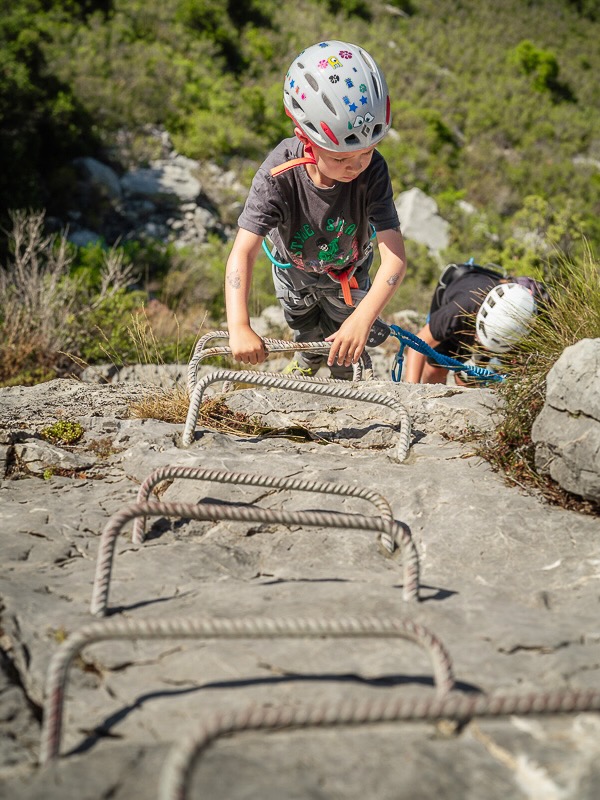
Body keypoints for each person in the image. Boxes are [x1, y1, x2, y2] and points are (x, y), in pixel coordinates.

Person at [225, 40, 407, 379]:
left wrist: (363, 319)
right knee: (305, 330)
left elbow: (394, 258)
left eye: (368, 152)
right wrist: (238, 325)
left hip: (348, 275)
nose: (357, 166)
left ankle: (344, 375)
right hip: (294, 277)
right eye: (340, 158)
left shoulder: (374, 170)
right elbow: (243, 252)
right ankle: (308, 361)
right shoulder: (278, 176)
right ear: (304, 138)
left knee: (345, 338)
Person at [403, 269, 538, 385]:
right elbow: (417, 346)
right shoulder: (457, 311)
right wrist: (409, 393)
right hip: (457, 294)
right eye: (480, 337)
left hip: (495, 329)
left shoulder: (522, 325)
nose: (479, 341)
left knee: (468, 380)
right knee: (436, 369)